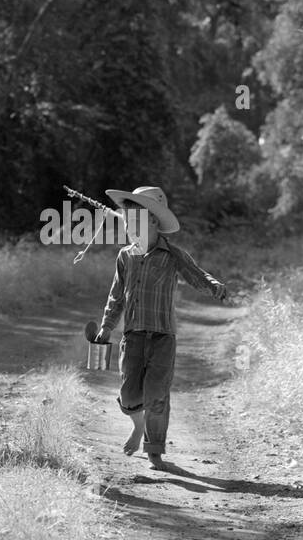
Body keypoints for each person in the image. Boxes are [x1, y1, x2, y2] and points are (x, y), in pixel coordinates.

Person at [94, 186, 227, 470]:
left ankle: (154, 450)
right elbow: (116, 295)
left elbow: (195, 273)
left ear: (154, 221)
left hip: (163, 337)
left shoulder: (172, 254)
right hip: (133, 335)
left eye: (135, 221)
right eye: (127, 221)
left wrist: (213, 286)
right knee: (130, 394)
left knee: (156, 394)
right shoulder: (125, 256)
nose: (129, 227)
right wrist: (107, 327)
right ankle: (137, 424)